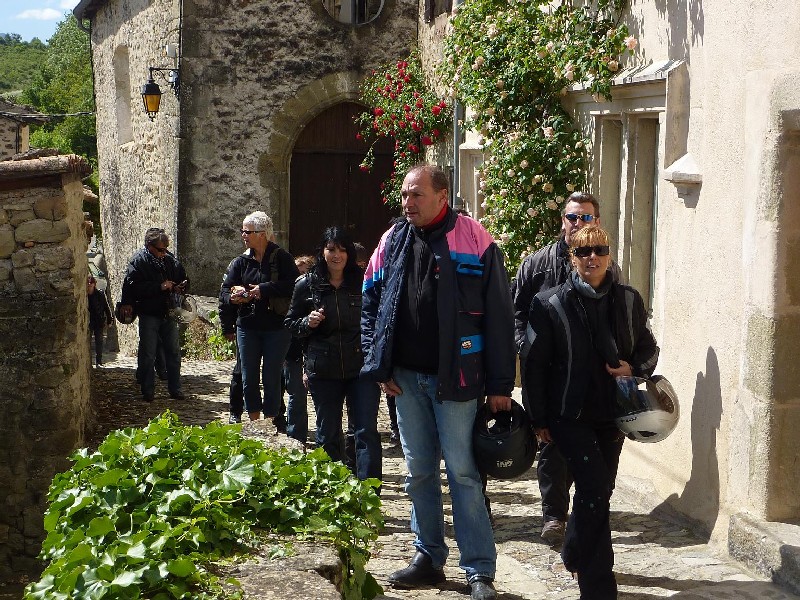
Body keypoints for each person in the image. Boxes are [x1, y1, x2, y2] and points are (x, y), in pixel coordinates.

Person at [361, 164, 515, 600]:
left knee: (464, 474)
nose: (407, 202)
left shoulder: (475, 239)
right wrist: (379, 365)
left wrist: (500, 385)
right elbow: (370, 301)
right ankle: (428, 557)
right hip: (405, 381)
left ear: (442, 195)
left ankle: (479, 570)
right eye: (404, 195)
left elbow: (500, 315)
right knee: (418, 472)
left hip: (459, 379)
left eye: (416, 194)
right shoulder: (392, 240)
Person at [524, 226, 659, 600]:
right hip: (568, 415)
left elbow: (648, 348)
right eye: (583, 252)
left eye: (599, 250)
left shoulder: (629, 300)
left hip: (614, 415)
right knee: (594, 488)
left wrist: (634, 369)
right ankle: (598, 587)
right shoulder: (549, 304)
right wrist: (538, 419)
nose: (592, 258)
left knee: (600, 490)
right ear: (572, 258)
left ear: (609, 255)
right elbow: (534, 365)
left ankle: (574, 548)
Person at [511, 191, 622, 544]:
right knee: (553, 450)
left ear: (596, 221)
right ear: (563, 221)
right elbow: (517, 311)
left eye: (586, 217)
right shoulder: (536, 264)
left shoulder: (607, 266)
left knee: (594, 458)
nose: (578, 224)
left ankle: (585, 519)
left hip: (591, 379)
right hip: (550, 375)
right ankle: (554, 516)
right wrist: (526, 346)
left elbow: (618, 316)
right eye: (572, 217)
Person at [285, 227, 381, 480]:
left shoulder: (364, 282)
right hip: (324, 368)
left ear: (349, 254)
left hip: (361, 366)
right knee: (327, 433)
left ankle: (369, 490)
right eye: (331, 249)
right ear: (322, 252)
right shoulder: (306, 284)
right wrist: (307, 322)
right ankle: (332, 489)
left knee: (365, 432)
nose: (336, 255)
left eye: (341, 250)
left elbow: (379, 320)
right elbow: (290, 323)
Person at [220, 211, 299, 421]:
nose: (243, 235)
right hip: (248, 326)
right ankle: (254, 422)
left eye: (247, 232)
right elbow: (225, 290)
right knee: (248, 377)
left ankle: (270, 420)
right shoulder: (241, 261)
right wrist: (233, 297)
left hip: (277, 327)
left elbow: (294, 286)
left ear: (262, 234)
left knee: (272, 377)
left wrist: (263, 289)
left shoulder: (282, 258)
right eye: (243, 231)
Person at [119, 228, 189, 402]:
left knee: (173, 352)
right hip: (149, 312)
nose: (163, 253)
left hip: (168, 312)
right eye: (160, 250)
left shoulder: (169, 260)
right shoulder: (138, 261)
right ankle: (148, 390)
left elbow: (183, 277)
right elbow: (133, 287)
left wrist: (180, 287)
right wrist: (159, 287)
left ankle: (175, 389)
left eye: (165, 249)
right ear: (149, 246)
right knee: (148, 353)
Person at [281, 255, 314, 442]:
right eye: (297, 273)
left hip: (315, 351)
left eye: (304, 273)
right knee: (296, 394)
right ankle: (296, 436)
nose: (299, 277)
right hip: (293, 351)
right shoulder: (290, 296)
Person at [87, 275, 112, 367]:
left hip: (98, 321)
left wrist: (109, 319)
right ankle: (88, 362)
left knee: (99, 342)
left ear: (94, 284)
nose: (89, 284)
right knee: (87, 342)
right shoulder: (84, 296)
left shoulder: (100, 295)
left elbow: (106, 307)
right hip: (89, 321)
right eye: (88, 283)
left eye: (91, 283)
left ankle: (99, 362)